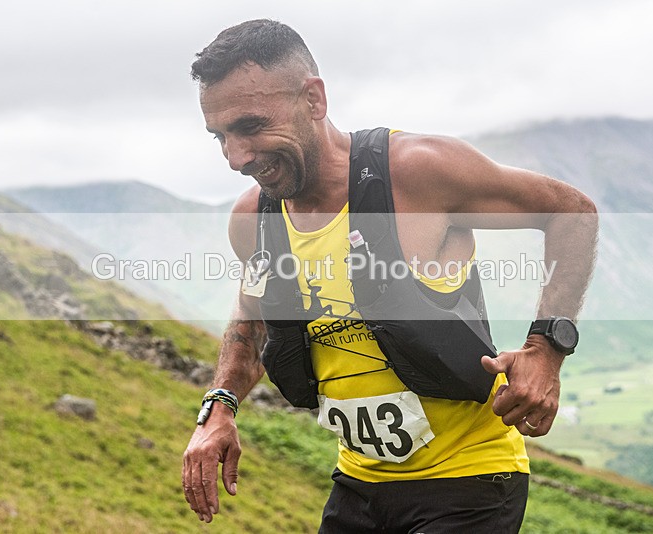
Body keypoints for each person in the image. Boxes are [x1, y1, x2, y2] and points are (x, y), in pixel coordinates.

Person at [182, 19, 597, 532]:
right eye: (219, 136)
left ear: (313, 99)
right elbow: (254, 320)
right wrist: (219, 406)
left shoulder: (416, 174)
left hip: (469, 483)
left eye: (250, 126)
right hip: (358, 485)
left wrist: (546, 348)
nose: (235, 157)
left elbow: (571, 213)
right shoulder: (253, 220)